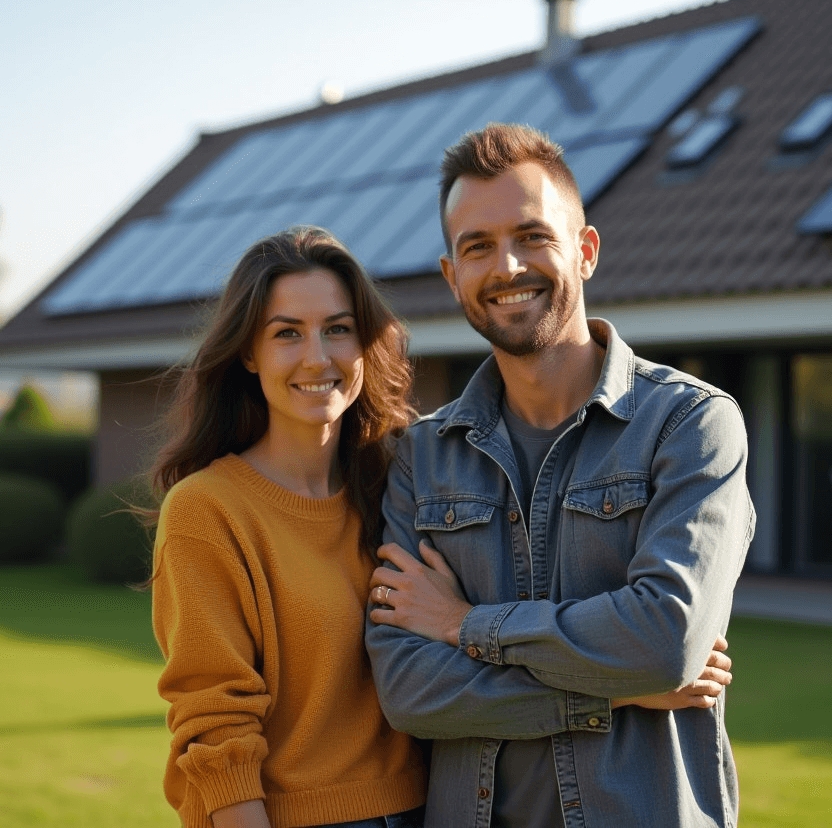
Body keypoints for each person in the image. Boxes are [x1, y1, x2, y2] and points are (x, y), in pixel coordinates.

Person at [365, 124, 754, 828]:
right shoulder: (420, 458)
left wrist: (463, 626)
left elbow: (665, 641)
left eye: (532, 235)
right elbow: (408, 691)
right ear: (453, 276)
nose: (507, 265)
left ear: (586, 250)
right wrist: (608, 693)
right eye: (477, 247)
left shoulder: (691, 425)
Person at [150, 226, 426, 828]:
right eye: (286, 334)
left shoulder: (400, 487)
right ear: (249, 353)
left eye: (337, 328)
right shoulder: (207, 510)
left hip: (433, 806)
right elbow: (215, 728)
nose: (317, 358)